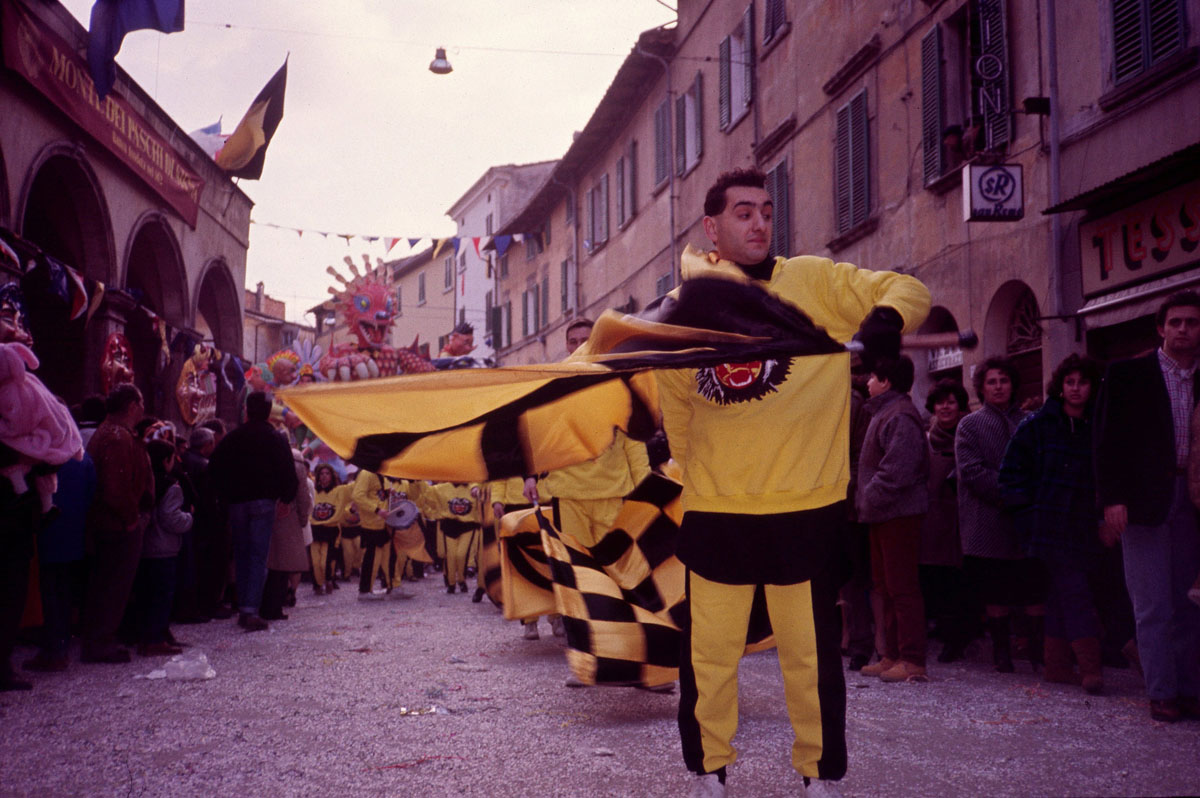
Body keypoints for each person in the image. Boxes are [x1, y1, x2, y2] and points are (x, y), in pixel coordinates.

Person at [651, 169, 930, 797]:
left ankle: (818, 775)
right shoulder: (686, 306)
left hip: (806, 509)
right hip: (719, 513)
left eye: (767, 212)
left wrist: (886, 316)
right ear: (712, 227)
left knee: (809, 659)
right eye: (743, 212)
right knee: (710, 661)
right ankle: (709, 771)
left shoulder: (815, 281)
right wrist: (701, 483)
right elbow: (681, 414)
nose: (758, 223)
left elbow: (906, 286)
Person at [1095, 291, 1200, 723]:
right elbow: (1106, 443)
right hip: (1142, 501)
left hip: (1193, 499)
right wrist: (1112, 499)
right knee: (1152, 602)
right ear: (1160, 328)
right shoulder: (1128, 376)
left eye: (1192, 322)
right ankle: (1162, 692)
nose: (1183, 329)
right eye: (1175, 322)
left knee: (1190, 602)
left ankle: (1191, 689)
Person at [1000, 354, 1106, 694]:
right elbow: (1010, 474)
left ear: (1092, 386)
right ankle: (1090, 668)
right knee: (1075, 591)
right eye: (1069, 382)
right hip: (1047, 526)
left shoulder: (1097, 424)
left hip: (1084, 524)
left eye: (1083, 382)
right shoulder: (1037, 424)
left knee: (1062, 593)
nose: (1076, 389)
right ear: (1060, 386)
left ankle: (1058, 665)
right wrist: (1029, 515)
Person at [955, 356, 1043, 674]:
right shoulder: (970, 425)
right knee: (995, 591)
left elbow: (1042, 465)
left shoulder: (1032, 421)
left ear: (1013, 384)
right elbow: (971, 471)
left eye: (1003, 380)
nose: (998, 386)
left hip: (1027, 521)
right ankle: (1001, 653)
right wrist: (1011, 494)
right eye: (991, 381)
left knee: (1032, 587)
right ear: (981, 387)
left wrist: (1027, 496)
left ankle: (1036, 652)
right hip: (987, 519)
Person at [856, 356, 930, 683]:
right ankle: (892, 655)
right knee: (885, 587)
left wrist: (868, 496)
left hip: (898, 513)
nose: (867, 382)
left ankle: (912, 660)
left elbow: (897, 470)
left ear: (885, 381)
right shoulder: (884, 411)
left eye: (872, 376)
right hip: (883, 513)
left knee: (902, 587)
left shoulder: (899, 415)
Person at [208, 391, 299, 632]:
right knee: (258, 557)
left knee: (241, 554)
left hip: (237, 503)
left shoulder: (234, 438)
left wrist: (225, 495)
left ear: (247, 410)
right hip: (263, 502)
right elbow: (287, 469)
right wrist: (286, 497)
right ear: (269, 411)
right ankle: (250, 609)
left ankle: (243, 606)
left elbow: (214, 466)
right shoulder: (275, 437)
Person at [80, 384, 153, 664]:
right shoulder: (116, 437)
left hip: (114, 523)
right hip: (117, 526)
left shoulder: (113, 434)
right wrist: (131, 518)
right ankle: (100, 642)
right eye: (142, 402)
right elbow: (115, 486)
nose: (144, 408)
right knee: (112, 584)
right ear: (132, 406)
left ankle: (101, 638)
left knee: (108, 584)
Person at [919, 379, 974, 664]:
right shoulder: (927, 438)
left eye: (951, 401)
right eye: (940, 402)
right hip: (934, 517)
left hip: (963, 516)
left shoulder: (970, 433)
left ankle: (959, 638)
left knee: (960, 579)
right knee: (937, 578)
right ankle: (944, 631)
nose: (945, 407)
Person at [133, 439, 193, 656]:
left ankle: (146, 636)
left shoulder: (144, 480)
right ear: (167, 460)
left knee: (146, 594)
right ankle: (155, 639)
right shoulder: (171, 485)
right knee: (162, 594)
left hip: (145, 546)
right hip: (164, 547)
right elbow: (171, 518)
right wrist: (189, 518)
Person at [260, 446, 313, 621]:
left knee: (265, 561)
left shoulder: (266, 459)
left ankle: (257, 605)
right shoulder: (297, 464)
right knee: (283, 564)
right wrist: (303, 518)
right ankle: (273, 607)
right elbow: (303, 495)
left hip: (265, 513)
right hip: (287, 516)